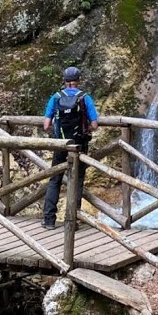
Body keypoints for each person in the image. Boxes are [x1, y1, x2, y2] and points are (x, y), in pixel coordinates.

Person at [40, 65, 99, 229]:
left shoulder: (56, 97)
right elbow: (94, 124)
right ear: (79, 80)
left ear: (64, 81)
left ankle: (49, 220)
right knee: (77, 181)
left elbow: (46, 125)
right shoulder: (84, 98)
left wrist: (57, 131)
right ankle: (72, 222)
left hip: (61, 144)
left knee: (55, 180)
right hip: (79, 144)